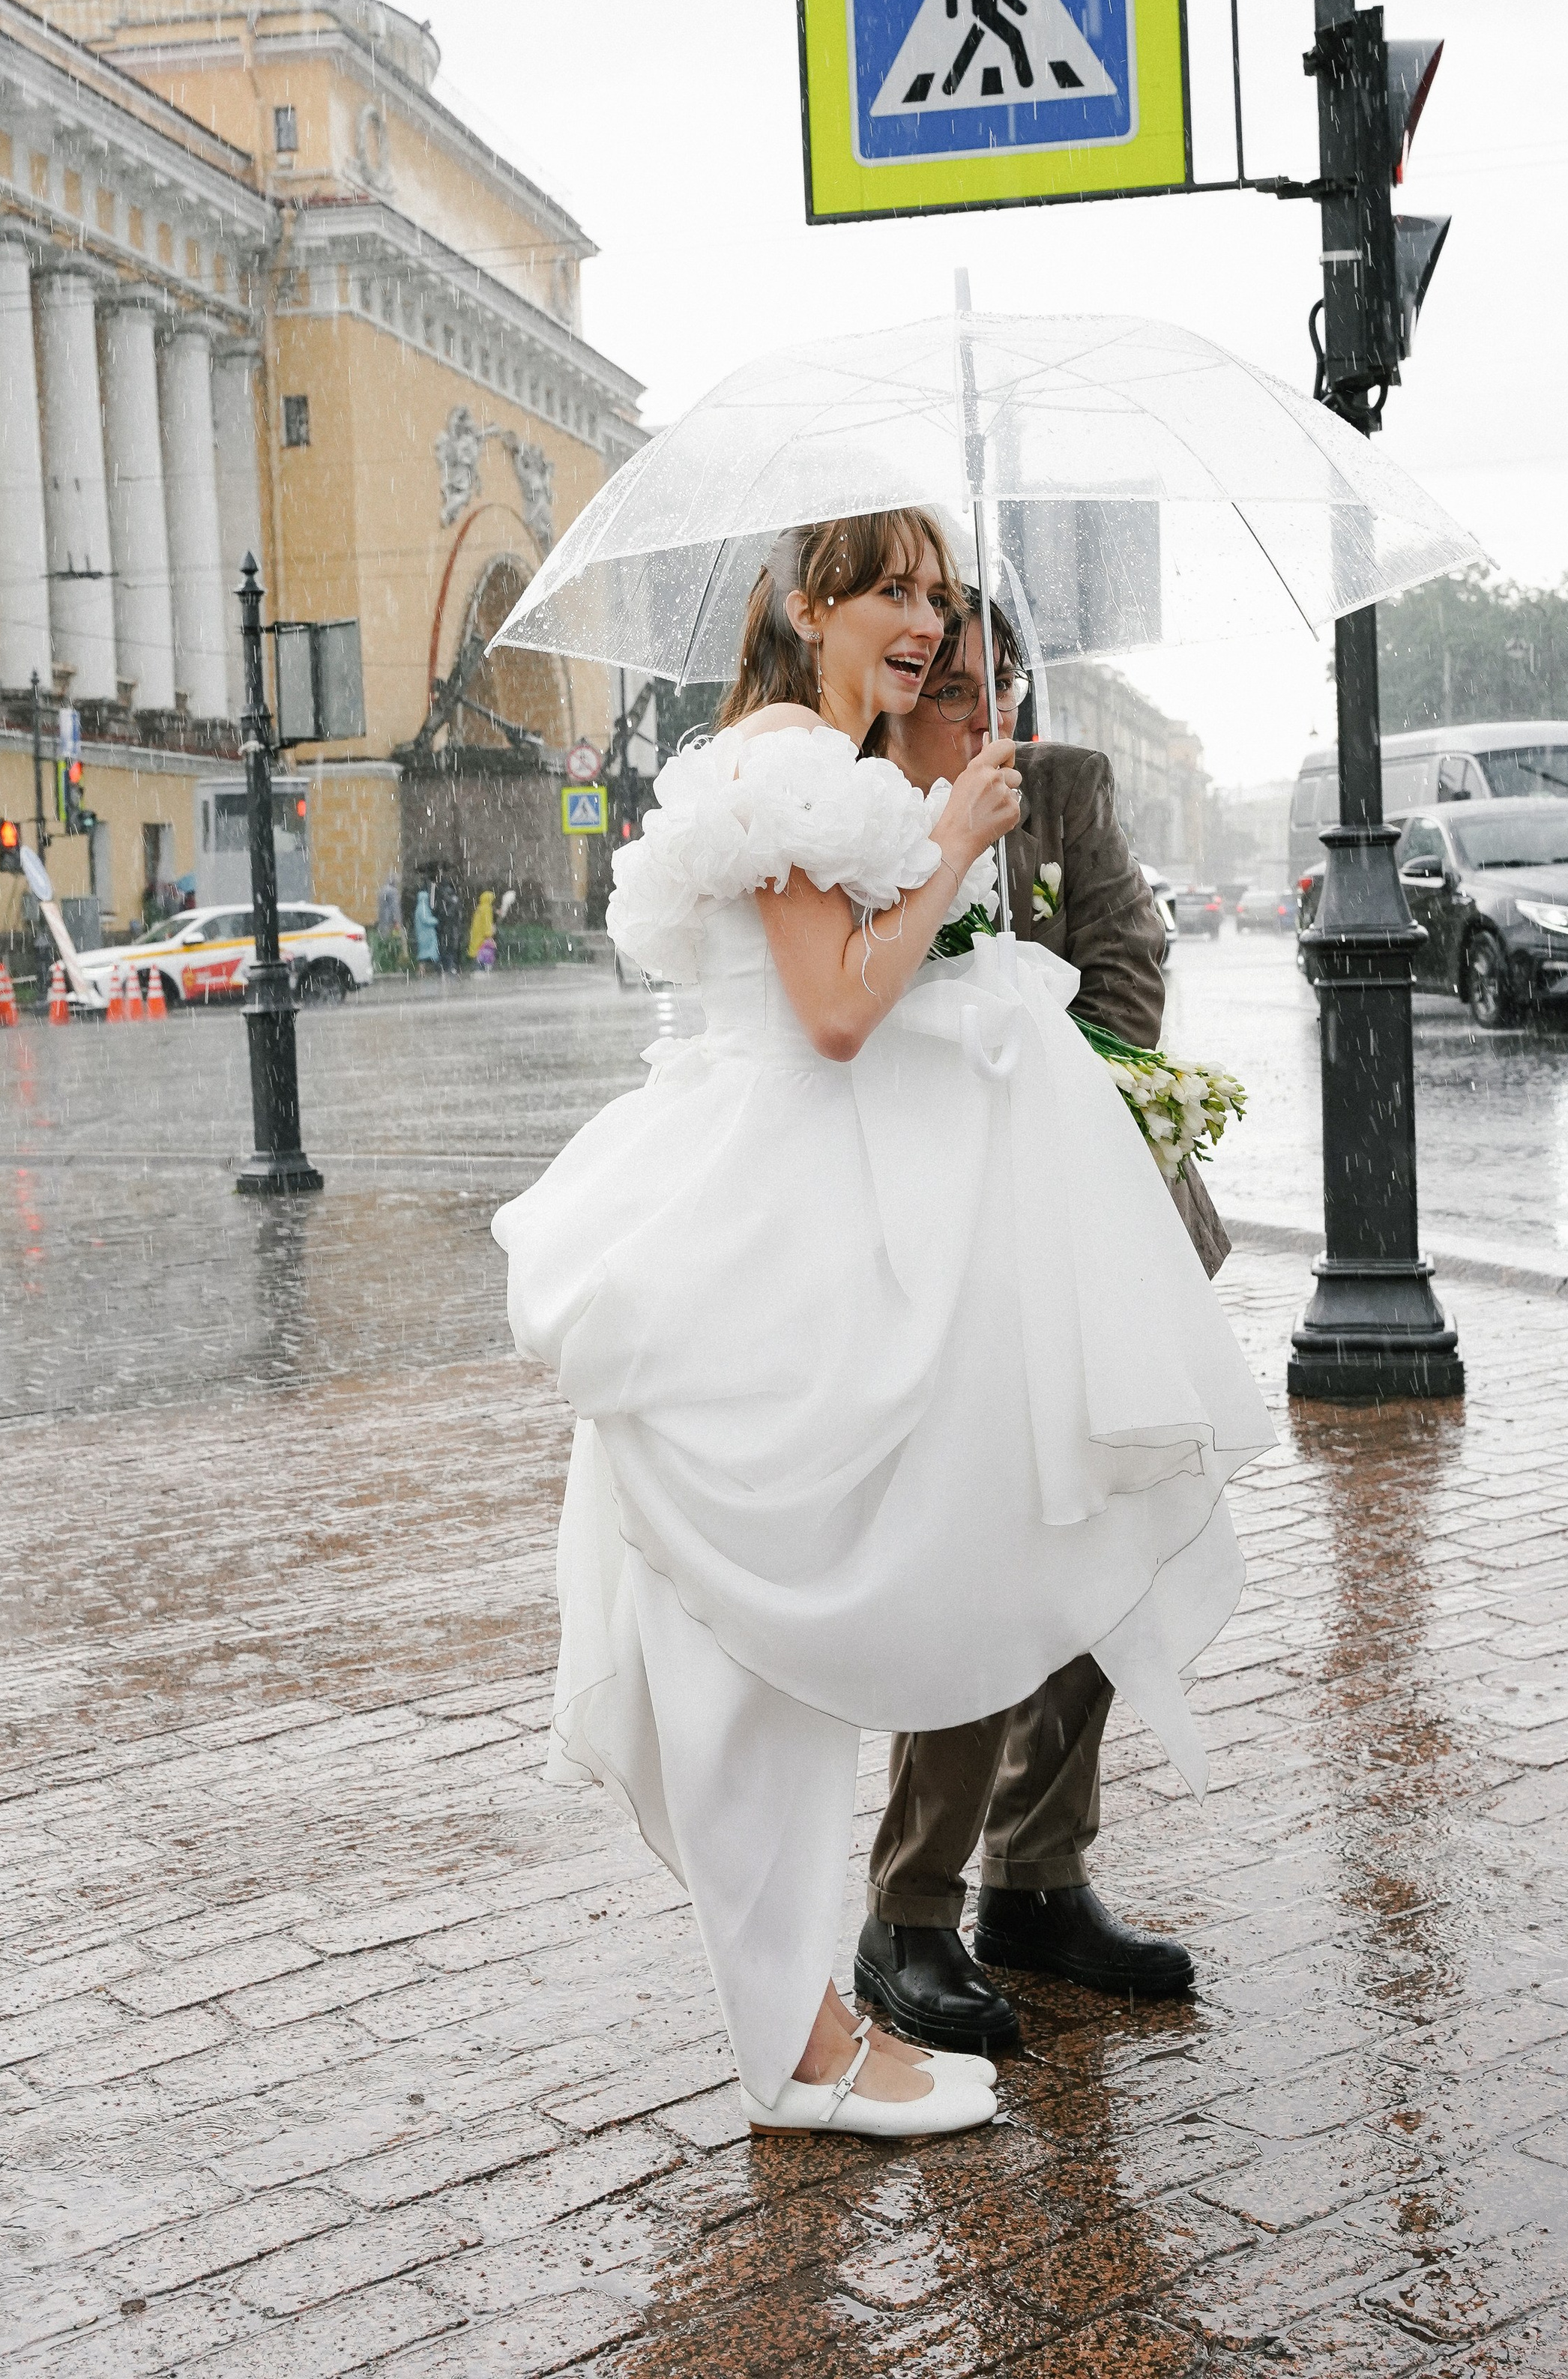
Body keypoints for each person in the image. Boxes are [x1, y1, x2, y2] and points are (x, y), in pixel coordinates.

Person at [493, 512, 1270, 2144]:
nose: (922, 623)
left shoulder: (823, 754)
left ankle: (807, 2027)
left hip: (802, 1218)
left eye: (934, 593)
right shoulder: (789, 753)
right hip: (763, 1234)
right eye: (890, 592)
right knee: (741, 1649)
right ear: (803, 604)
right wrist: (961, 844)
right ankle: (799, 2037)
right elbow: (837, 1010)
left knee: (767, 1647)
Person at [858, 603, 1231, 2057]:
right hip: (948, 1255)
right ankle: (907, 1916)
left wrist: (1062, 1102)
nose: (970, 702)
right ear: (899, 689)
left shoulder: (1064, 785)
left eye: (986, 678)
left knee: (1107, 1549)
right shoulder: (869, 808)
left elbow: (1127, 967)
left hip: (1106, 1226)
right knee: (976, 1563)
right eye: (941, 680)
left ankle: (1035, 1876)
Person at [411, 883, 440, 974]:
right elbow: (426, 919)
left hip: (422, 933)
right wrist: (435, 920)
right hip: (427, 934)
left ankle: (423, 970)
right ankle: (432, 969)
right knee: (429, 952)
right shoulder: (423, 908)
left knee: (424, 953)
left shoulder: (419, 908)